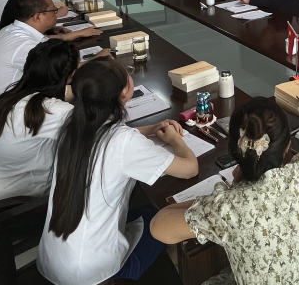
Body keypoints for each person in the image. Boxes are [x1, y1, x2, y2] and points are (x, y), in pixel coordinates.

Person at [150, 97, 299, 285]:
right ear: (288, 146)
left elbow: (157, 227)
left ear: (233, 150)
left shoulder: (227, 207)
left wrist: (224, 195)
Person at [38, 58, 199, 285]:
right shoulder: (124, 142)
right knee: (163, 217)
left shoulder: (72, 124)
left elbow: (108, 136)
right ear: (125, 91)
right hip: (93, 274)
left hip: (54, 261)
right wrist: (175, 140)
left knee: (143, 209)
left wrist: (151, 129)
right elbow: (190, 169)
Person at [0, 0, 101, 117]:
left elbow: (44, 40)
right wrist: (98, 58)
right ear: (37, 17)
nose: (56, 13)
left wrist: (65, 37)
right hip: (7, 114)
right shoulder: (26, 46)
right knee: (91, 90)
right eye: (53, 10)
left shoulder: (10, 30)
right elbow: (67, 69)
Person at [0, 40, 79, 203]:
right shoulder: (50, 111)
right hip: (22, 205)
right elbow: (101, 127)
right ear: (71, 76)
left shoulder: (14, 96)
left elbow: (66, 93)